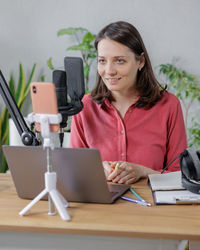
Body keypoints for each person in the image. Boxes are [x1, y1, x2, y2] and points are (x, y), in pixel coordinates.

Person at [70, 21, 187, 184]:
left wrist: (142, 171)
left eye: (119, 61)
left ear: (141, 61)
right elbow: (74, 170)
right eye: (102, 61)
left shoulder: (169, 105)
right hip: (100, 206)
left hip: (152, 206)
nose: (109, 71)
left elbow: (179, 175)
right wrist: (95, 168)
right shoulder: (85, 106)